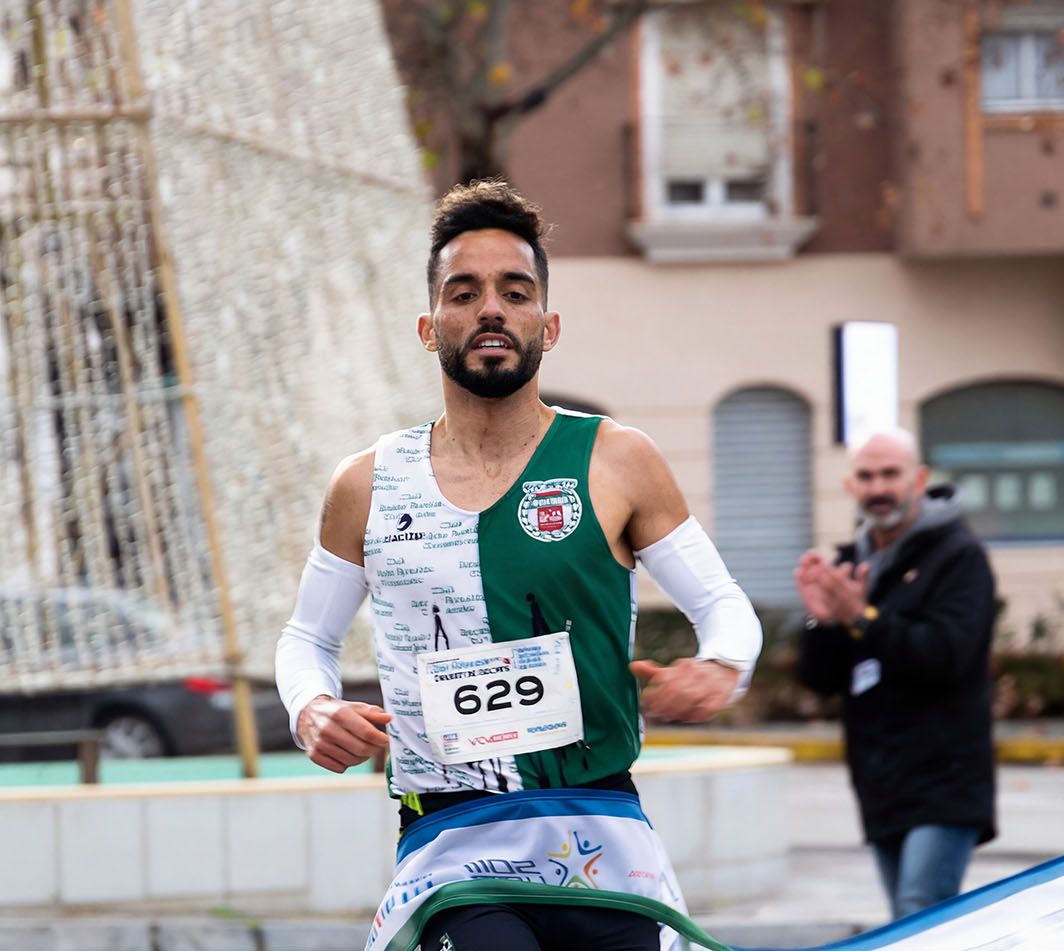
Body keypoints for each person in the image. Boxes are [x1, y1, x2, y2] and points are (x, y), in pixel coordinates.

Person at [274, 179, 762, 951]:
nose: (490, 308)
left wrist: (721, 664)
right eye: (463, 293)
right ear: (429, 326)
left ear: (549, 322)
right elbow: (306, 638)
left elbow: (724, 606)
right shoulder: (365, 481)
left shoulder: (617, 460)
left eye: (515, 290)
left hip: (602, 842)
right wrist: (311, 708)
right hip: (452, 845)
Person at [794, 428, 996, 920]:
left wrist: (862, 619)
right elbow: (819, 679)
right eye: (866, 476)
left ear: (920, 479)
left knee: (918, 913)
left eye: (890, 474)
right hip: (881, 783)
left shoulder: (958, 556)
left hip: (946, 782)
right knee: (915, 922)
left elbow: (945, 656)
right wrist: (823, 619)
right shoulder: (849, 563)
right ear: (850, 487)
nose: (878, 487)